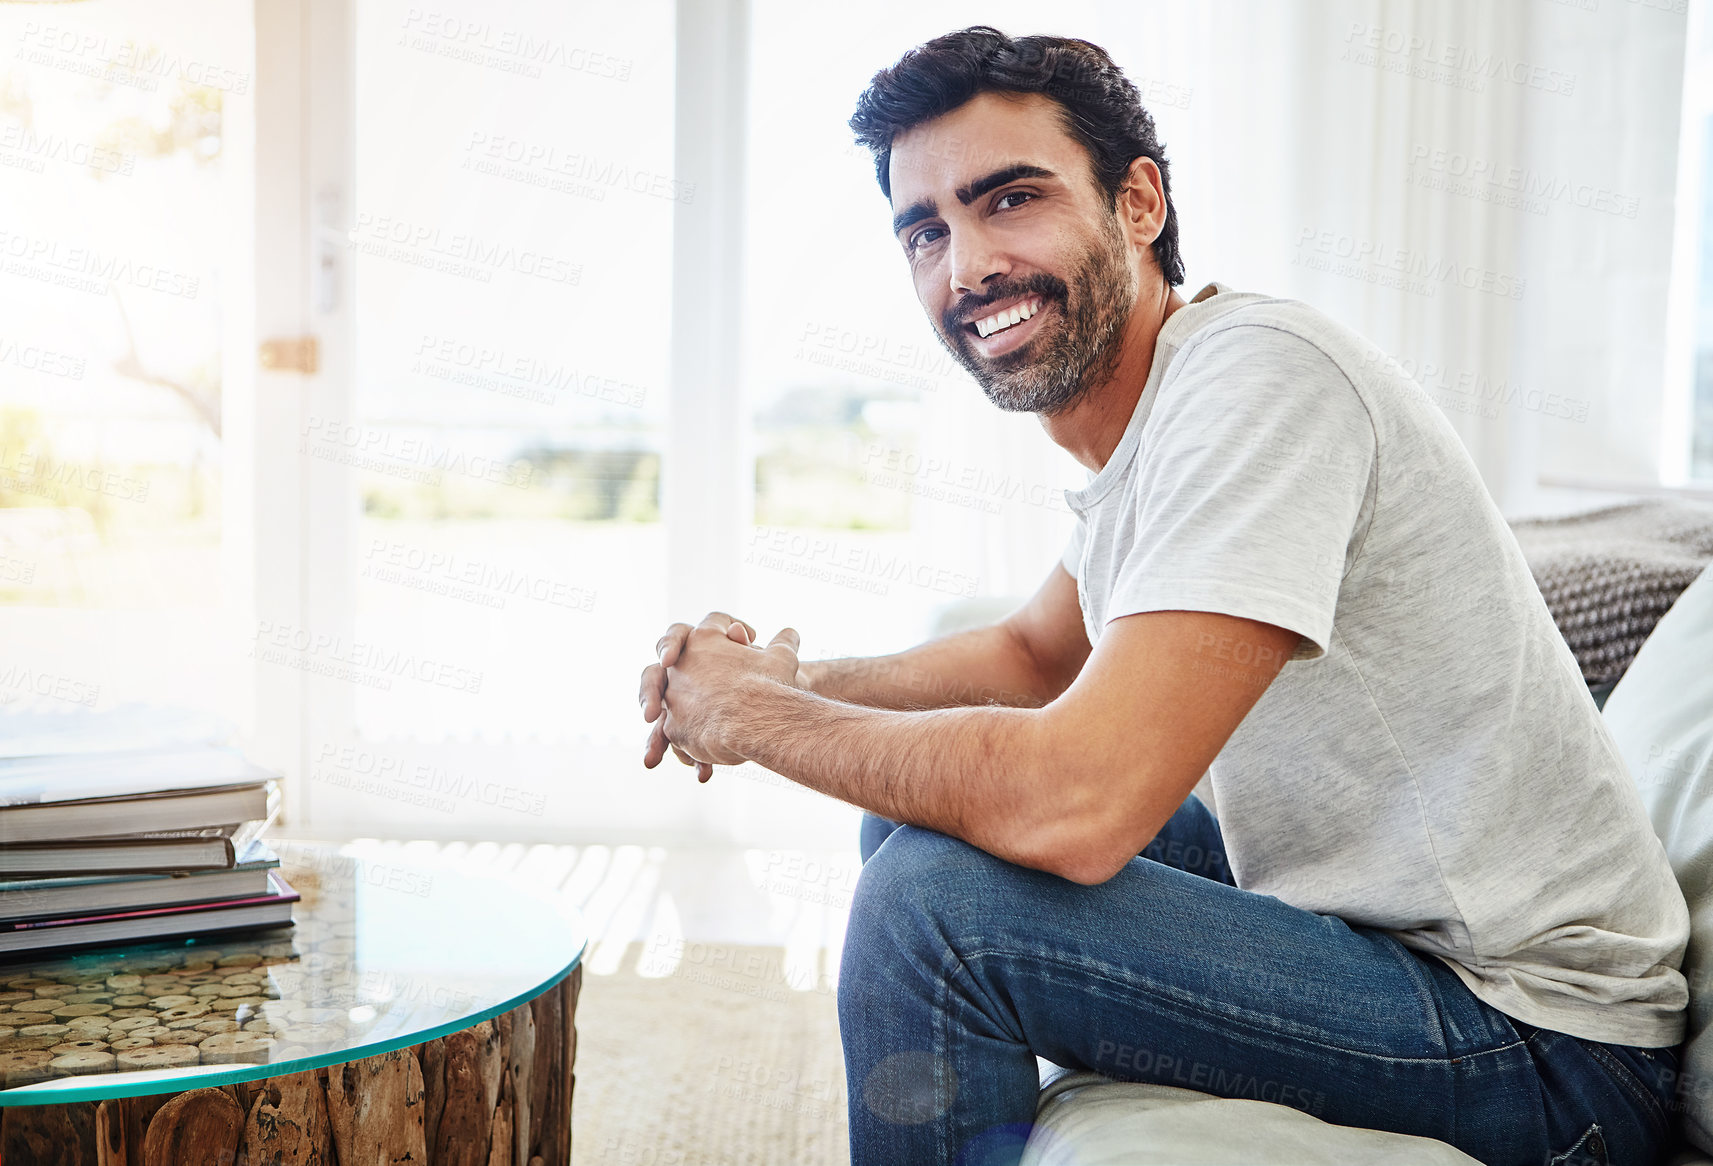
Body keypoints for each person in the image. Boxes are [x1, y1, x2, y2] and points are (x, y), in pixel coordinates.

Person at [636, 26, 1689, 1166]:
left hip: (1541, 1039)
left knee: (931, 905)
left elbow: (1080, 805)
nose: (968, 266)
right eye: (926, 230)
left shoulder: (1261, 381)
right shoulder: (1164, 416)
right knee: (911, 805)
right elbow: (1038, 652)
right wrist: (789, 681)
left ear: (1138, 203)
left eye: (1010, 199)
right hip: (1378, 930)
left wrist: (761, 718)